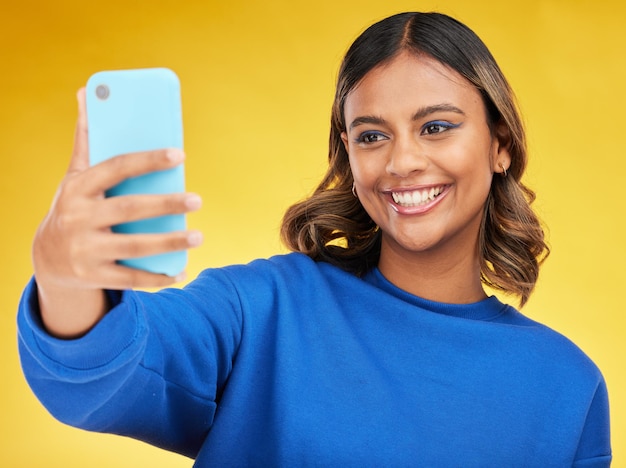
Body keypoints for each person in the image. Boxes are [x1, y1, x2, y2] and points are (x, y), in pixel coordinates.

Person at [18, 11, 611, 467]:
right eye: (372, 136)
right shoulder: (261, 310)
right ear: (349, 156)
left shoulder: (568, 387)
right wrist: (64, 278)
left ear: (500, 144)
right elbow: (99, 375)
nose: (402, 161)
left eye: (436, 127)